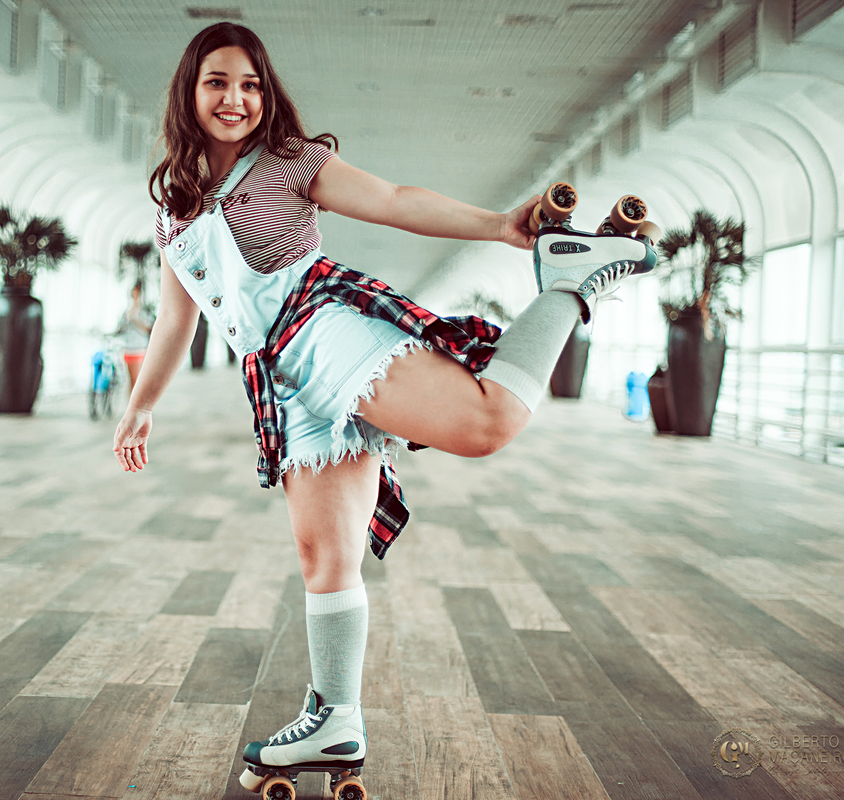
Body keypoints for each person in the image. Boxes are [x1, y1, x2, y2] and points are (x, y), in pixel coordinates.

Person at [111, 22, 656, 789]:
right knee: (324, 556)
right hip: (279, 379)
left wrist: (500, 225)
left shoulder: (293, 161)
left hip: (322, 330)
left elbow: (396, 201)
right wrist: (141, 405)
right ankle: (337, 720)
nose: (235, 98)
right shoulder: (173, 203)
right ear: (189, 92)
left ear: (266, 94)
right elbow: (179, 317)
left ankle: (572, 279)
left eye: (250, 84)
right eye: (217, 82)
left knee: (486, 422)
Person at [120, 280, 155, 391]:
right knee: (131, 382)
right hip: (128, 349)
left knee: (137, 381)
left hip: (139, 349)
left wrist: (135, 320)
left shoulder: (145, 312)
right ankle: (130, 406)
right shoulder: (127, 312)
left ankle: (135, 406)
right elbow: (121, 328)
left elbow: (149, 328)